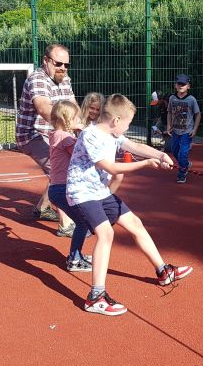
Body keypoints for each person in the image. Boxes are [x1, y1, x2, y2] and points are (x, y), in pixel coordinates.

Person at [66, 94, 192, 316]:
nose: (128, 127)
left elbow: (134, 146)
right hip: (82, 192)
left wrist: (160, 155)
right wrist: (146, 164)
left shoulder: (113, 134)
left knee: (135, 223)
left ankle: (164, 272)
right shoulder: (91, 135)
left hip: (100, 191)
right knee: (106, 234)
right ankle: (96, 297)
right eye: (128, 123)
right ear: (116, 120)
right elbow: (111, 168)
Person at [48, 100, 114, 270]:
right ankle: (74, 259)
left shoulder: (56, 134)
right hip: (63, 188)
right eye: (76, 117)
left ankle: (76, 255)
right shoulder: (65, 138)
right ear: (67, 119)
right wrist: (85, 132)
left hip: (57, 188)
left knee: (82, 221)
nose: (79, 120)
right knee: (83, 222)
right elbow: (84, 153)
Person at [15, 43, 77, 223]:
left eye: (66, 65)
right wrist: (70, 125)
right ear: (46, 60)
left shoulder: (65, 79)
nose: (63, 68)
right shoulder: (37, 79)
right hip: (32, 135)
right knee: (64, 171)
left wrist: (83, 127)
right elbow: (44, 108)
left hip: (55, 133)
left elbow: (73, 106)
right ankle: (66, 223)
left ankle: (42, 207)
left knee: (72, 164)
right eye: (58, 63)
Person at [165, 74, 201, 184]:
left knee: (183, 153)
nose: (181, 86)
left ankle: (182, 173)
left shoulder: (191, 100)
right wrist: (168, 126)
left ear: (188, 86)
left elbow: (198, 114)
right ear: (175, 85)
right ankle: (186, 164)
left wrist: (194, 130)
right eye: (179, 84)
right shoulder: (172, 98)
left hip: (187, 132)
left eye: (183, 84)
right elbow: (169, 112)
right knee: (174, 151)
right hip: (175, 131)